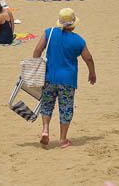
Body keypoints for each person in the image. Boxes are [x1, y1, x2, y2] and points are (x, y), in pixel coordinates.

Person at [32, 9, 96, 148]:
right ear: (73, 24)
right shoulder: (78, 40)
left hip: (49, 76)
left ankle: (45, 130)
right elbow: (88, 58)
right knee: (66, 108)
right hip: (67, 80)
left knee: (47, 104)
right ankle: (62, 139)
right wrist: (92, 73)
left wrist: (37, 68)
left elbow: (37, 51)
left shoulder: (49, 33)